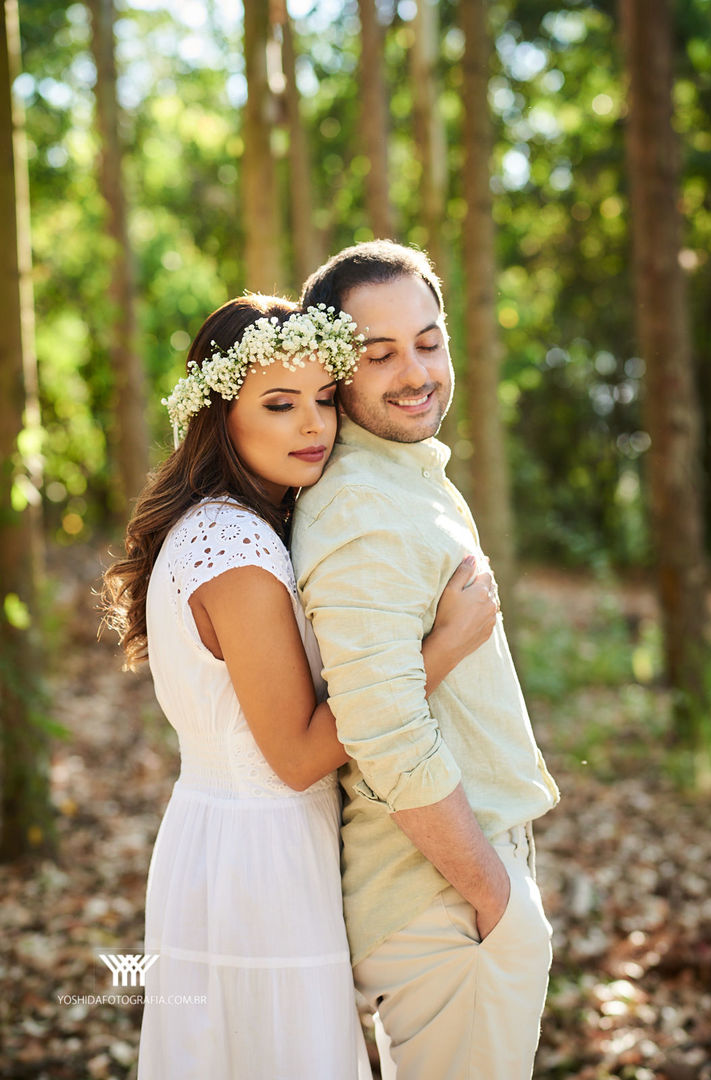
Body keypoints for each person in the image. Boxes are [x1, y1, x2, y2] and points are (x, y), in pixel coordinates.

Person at [100, 293, 500, 1079]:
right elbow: (295, 755)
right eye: (279, 405)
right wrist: (441, 647)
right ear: (219, 415)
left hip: (229, 839)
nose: (314, 425)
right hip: (260, 855)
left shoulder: (232, 525)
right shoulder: (236, 548)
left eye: (323, 398)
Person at [292, 241, 561, 1080]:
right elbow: (382, 727)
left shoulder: (401, 476)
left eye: (428, 341)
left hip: (454, 890)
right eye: (379, 354)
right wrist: (493, 898)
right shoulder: (361, 506)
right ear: (335, 371)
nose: (414, 372)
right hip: (442, 901)